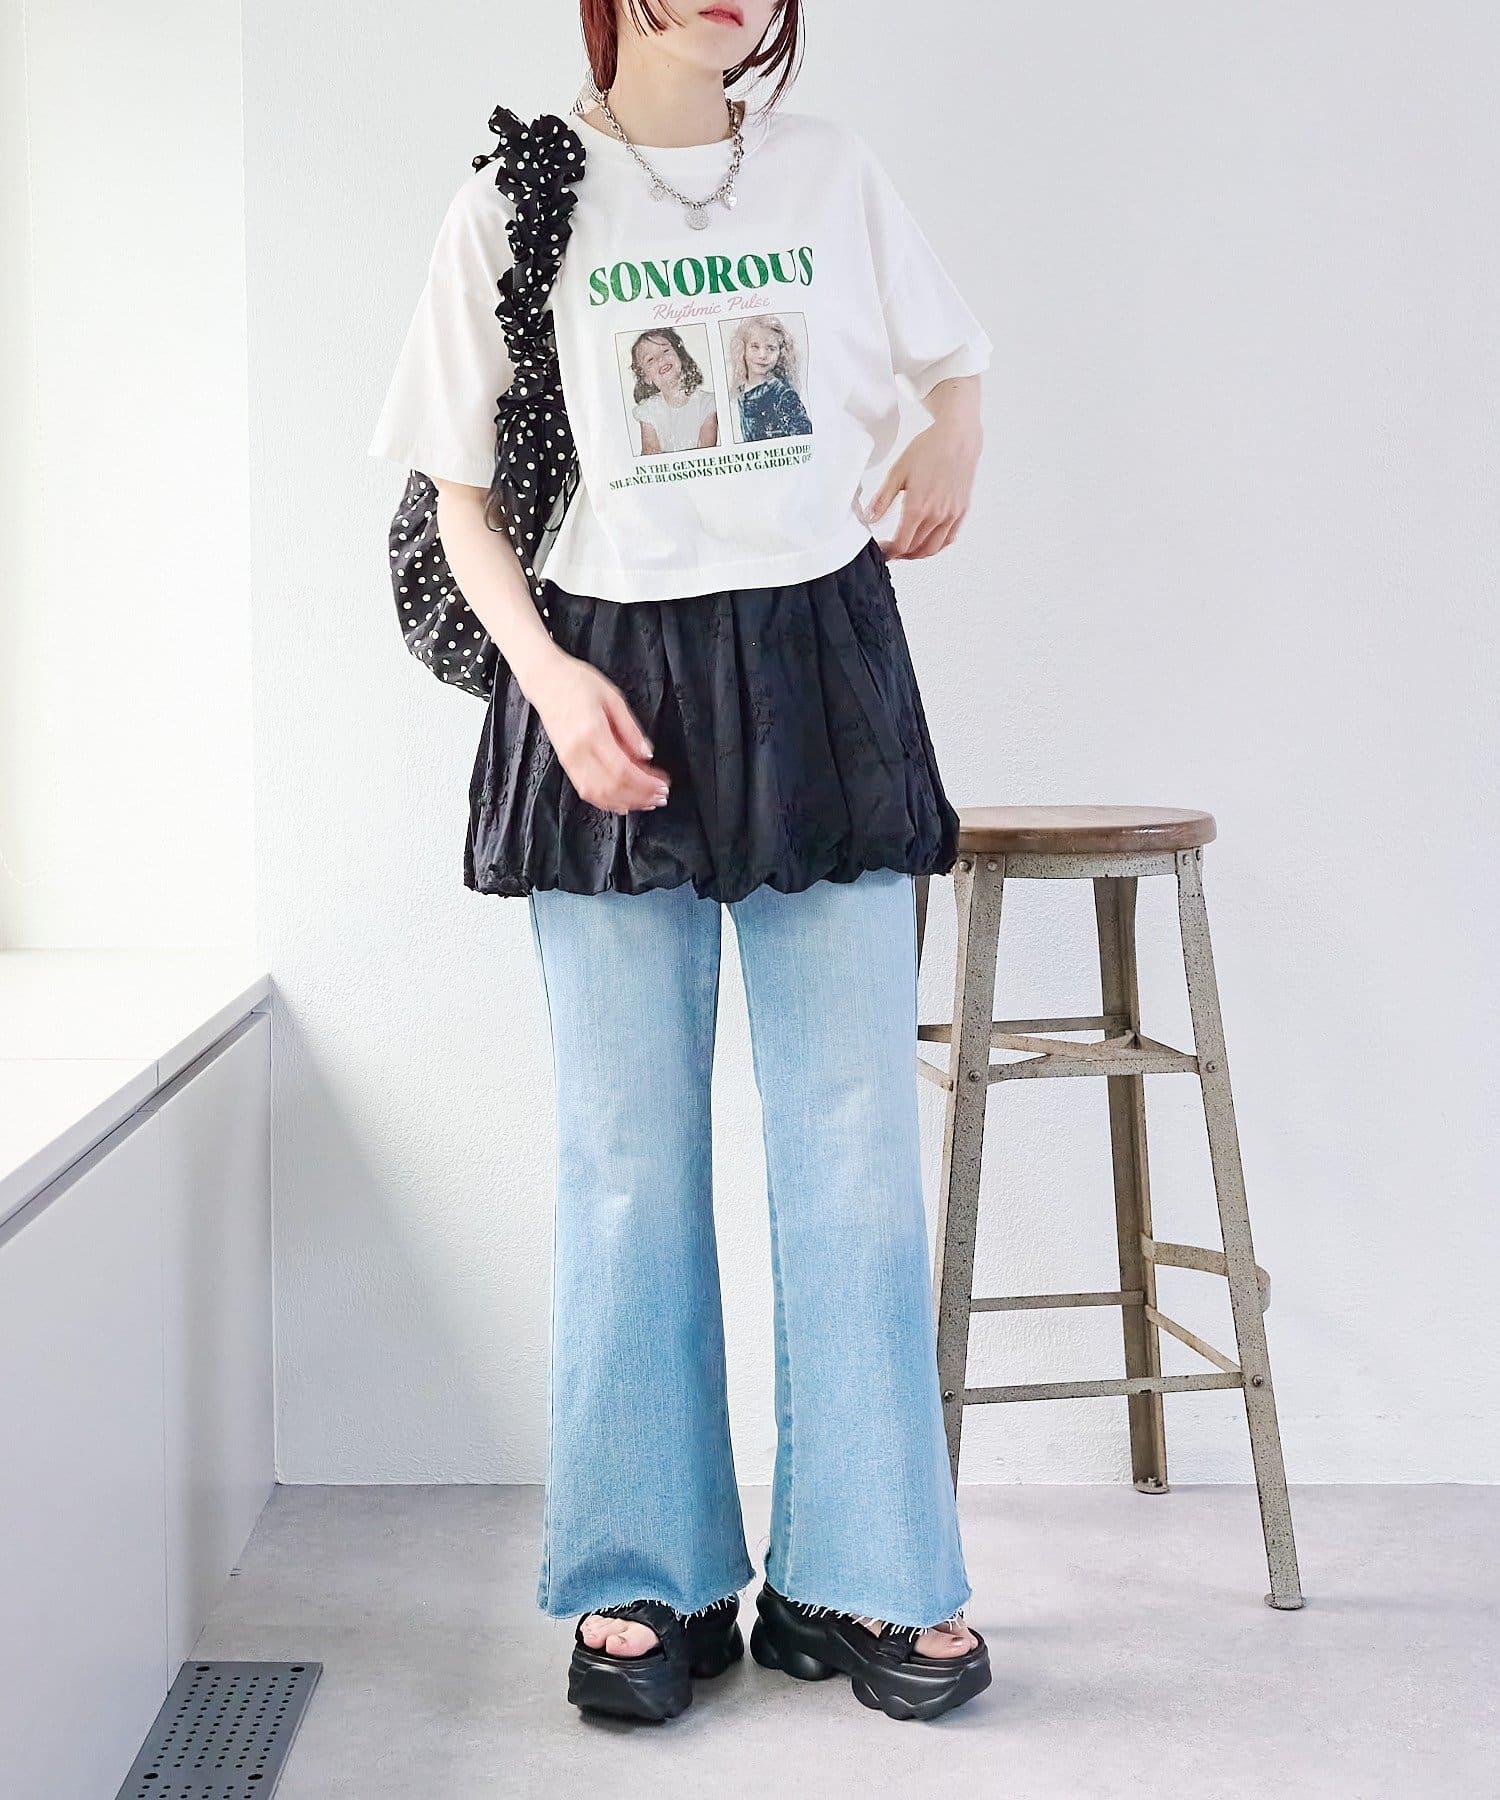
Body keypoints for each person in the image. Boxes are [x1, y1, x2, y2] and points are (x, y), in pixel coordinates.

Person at [369, 0, 993, 1724]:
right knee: (627, 1160)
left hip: (817, 671)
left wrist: (955, 425)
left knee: (855, 1146)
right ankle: (643, 1571)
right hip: (607, 681)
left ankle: (864, 1574)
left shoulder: (833, 171)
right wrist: (547, 681)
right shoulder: (520, 196)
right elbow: (459, 494)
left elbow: (956, 359)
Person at [725, 313, 813, 441]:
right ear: (743, 349)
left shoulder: (784, 396)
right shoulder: (741, 391)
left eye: (771, 348)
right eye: (755, 347)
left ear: (780, 353)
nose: (762, 355)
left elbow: (805, 439)